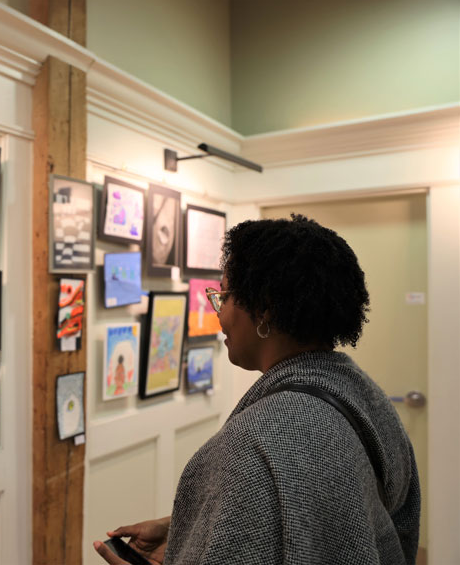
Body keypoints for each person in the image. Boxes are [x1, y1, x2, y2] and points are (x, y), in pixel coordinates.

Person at [94, 214, 420, 565]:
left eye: (226, 296)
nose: (219, 313)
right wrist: (186, 529)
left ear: (263, 309)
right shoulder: (366, 399)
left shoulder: (256, 442)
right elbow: (332, 513)